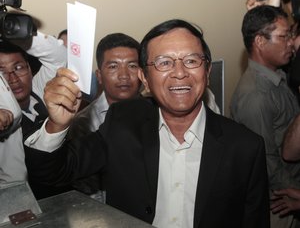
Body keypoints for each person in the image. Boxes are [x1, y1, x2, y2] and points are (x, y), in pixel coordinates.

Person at [25, 19, 269, 228]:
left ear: (206, 71)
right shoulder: (123, 123)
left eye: (191, 61)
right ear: (145, 78)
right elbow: (55, 173)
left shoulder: (245, 147)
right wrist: (56, 125)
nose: (179, 72)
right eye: (164, 63)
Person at [230, 5, 300, 227]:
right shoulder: (255, 96)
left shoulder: (278, 74)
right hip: (281, 203)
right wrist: (294, 194)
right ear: (260, 42)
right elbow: (265, 159)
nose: (291, 42)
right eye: (284, 36)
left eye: (291, 35)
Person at [67, 33, 141, 199]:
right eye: (113, 66)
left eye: (132, 66)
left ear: (142, 72)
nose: (124, 75)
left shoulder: (158, 110)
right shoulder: (84, 122)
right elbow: (87, 189)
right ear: (99, 76)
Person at [0, 32, 71, 198]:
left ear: (30, 69)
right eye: (2, 72)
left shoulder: (41, 90)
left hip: (63, 195)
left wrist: (10, 32)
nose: (13, 79)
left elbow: (59, 56)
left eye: (18, 67)